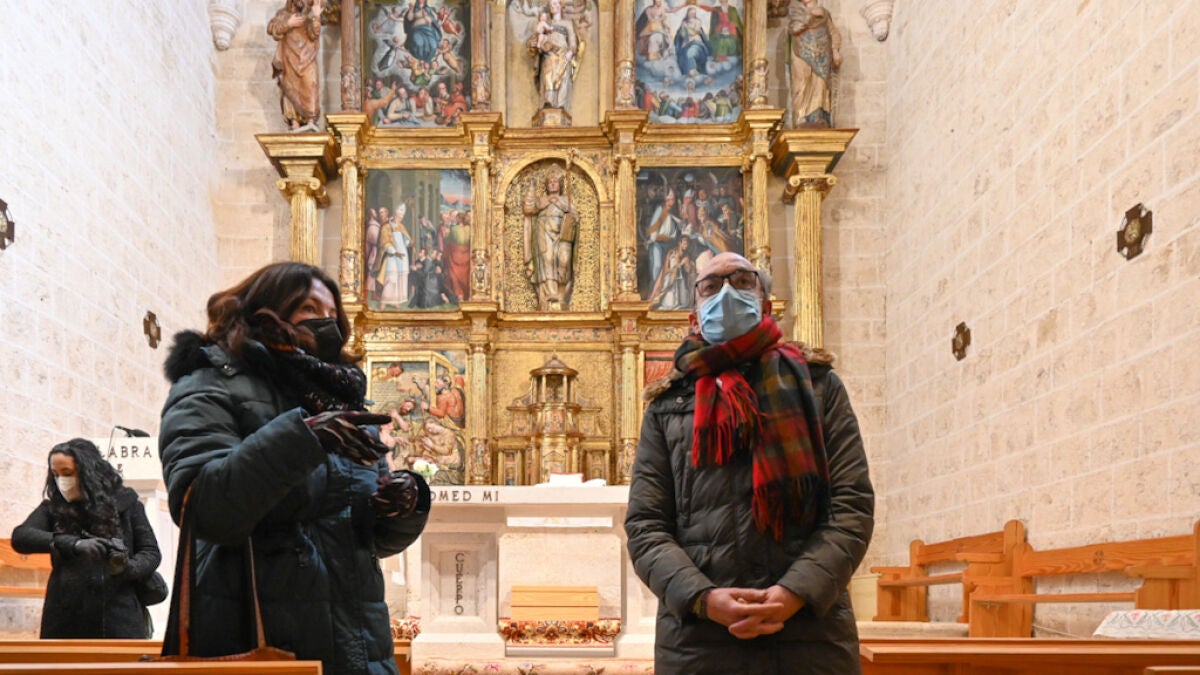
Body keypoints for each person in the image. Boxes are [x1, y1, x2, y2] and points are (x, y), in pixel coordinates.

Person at [158, 262, 430, 674]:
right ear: (269, 307)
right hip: (259, 638)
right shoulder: (209, 384)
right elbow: (205, 509)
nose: (325, 321)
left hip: (357, 644)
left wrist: (402, 505)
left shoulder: (341, 399)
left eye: (332, 313)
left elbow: (364, 538)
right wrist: (304, 438)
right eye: (309, 308)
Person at [625, 252, 874, 674]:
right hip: (700, 640)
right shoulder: (667, 405)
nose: (726, 293)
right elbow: (646, 525)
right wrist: (703, 598)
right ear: (694, 317)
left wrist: (795, 591)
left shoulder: (819, 387)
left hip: (808, 632)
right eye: (711, 286)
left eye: (742, 281)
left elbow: (851, 506)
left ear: (766, 304)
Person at [12, 439, 163, 639]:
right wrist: (71, 543)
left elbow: (150, 552)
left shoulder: (127, 504)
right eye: (55, 474)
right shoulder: (52, 507)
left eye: (67, 473)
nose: (61, 481)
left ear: (88, 471)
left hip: (119, 613)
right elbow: (21, 537)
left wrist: (127, 567)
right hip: (65, 614)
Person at [522, 167, 578, 310]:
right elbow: (528, 208)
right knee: (547, 260)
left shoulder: (566, 200)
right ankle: (550, 293)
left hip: (561, 235)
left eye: (555, 182)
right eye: (550, 182)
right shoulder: (542, 200)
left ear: (560, 184)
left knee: (564, 260)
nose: (552, 184)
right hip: (543, 232)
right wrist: (532, 188)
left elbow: (574, 217)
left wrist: (566, 212)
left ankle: (561, 294)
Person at [267, 0, 325, 131]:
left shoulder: (308, 20)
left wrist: (316, 16)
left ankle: (310, 120)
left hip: (307, 57)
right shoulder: (283, 14)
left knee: (311, 84)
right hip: (289, 58)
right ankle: (295, 122)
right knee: (290, 87)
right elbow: (271, 28)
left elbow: (315, 33)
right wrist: (288, 24)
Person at [788, 0, 842, 127]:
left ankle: (819, 116)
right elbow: (794, 28)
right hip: (801, 55)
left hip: (822, 57)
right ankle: (801, 116)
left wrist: (835, 51)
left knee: (820, 84)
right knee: (802, 84)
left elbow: (834, 33)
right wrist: (809, 16)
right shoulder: (797, 13)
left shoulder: (825, 14)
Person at [530, 0, 579, 110]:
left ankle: (561, 104)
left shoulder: (567, 23)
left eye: (556, 3)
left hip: (563, 53)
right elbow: (536, 38)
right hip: (549, 53)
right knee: (548, 76)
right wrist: (534, 44)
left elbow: (573, 42)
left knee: (563, 78)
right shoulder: (546, 23)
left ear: (560, 6)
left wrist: (571, 52)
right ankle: (549, 102)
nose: (553, 6)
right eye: (551, 4)